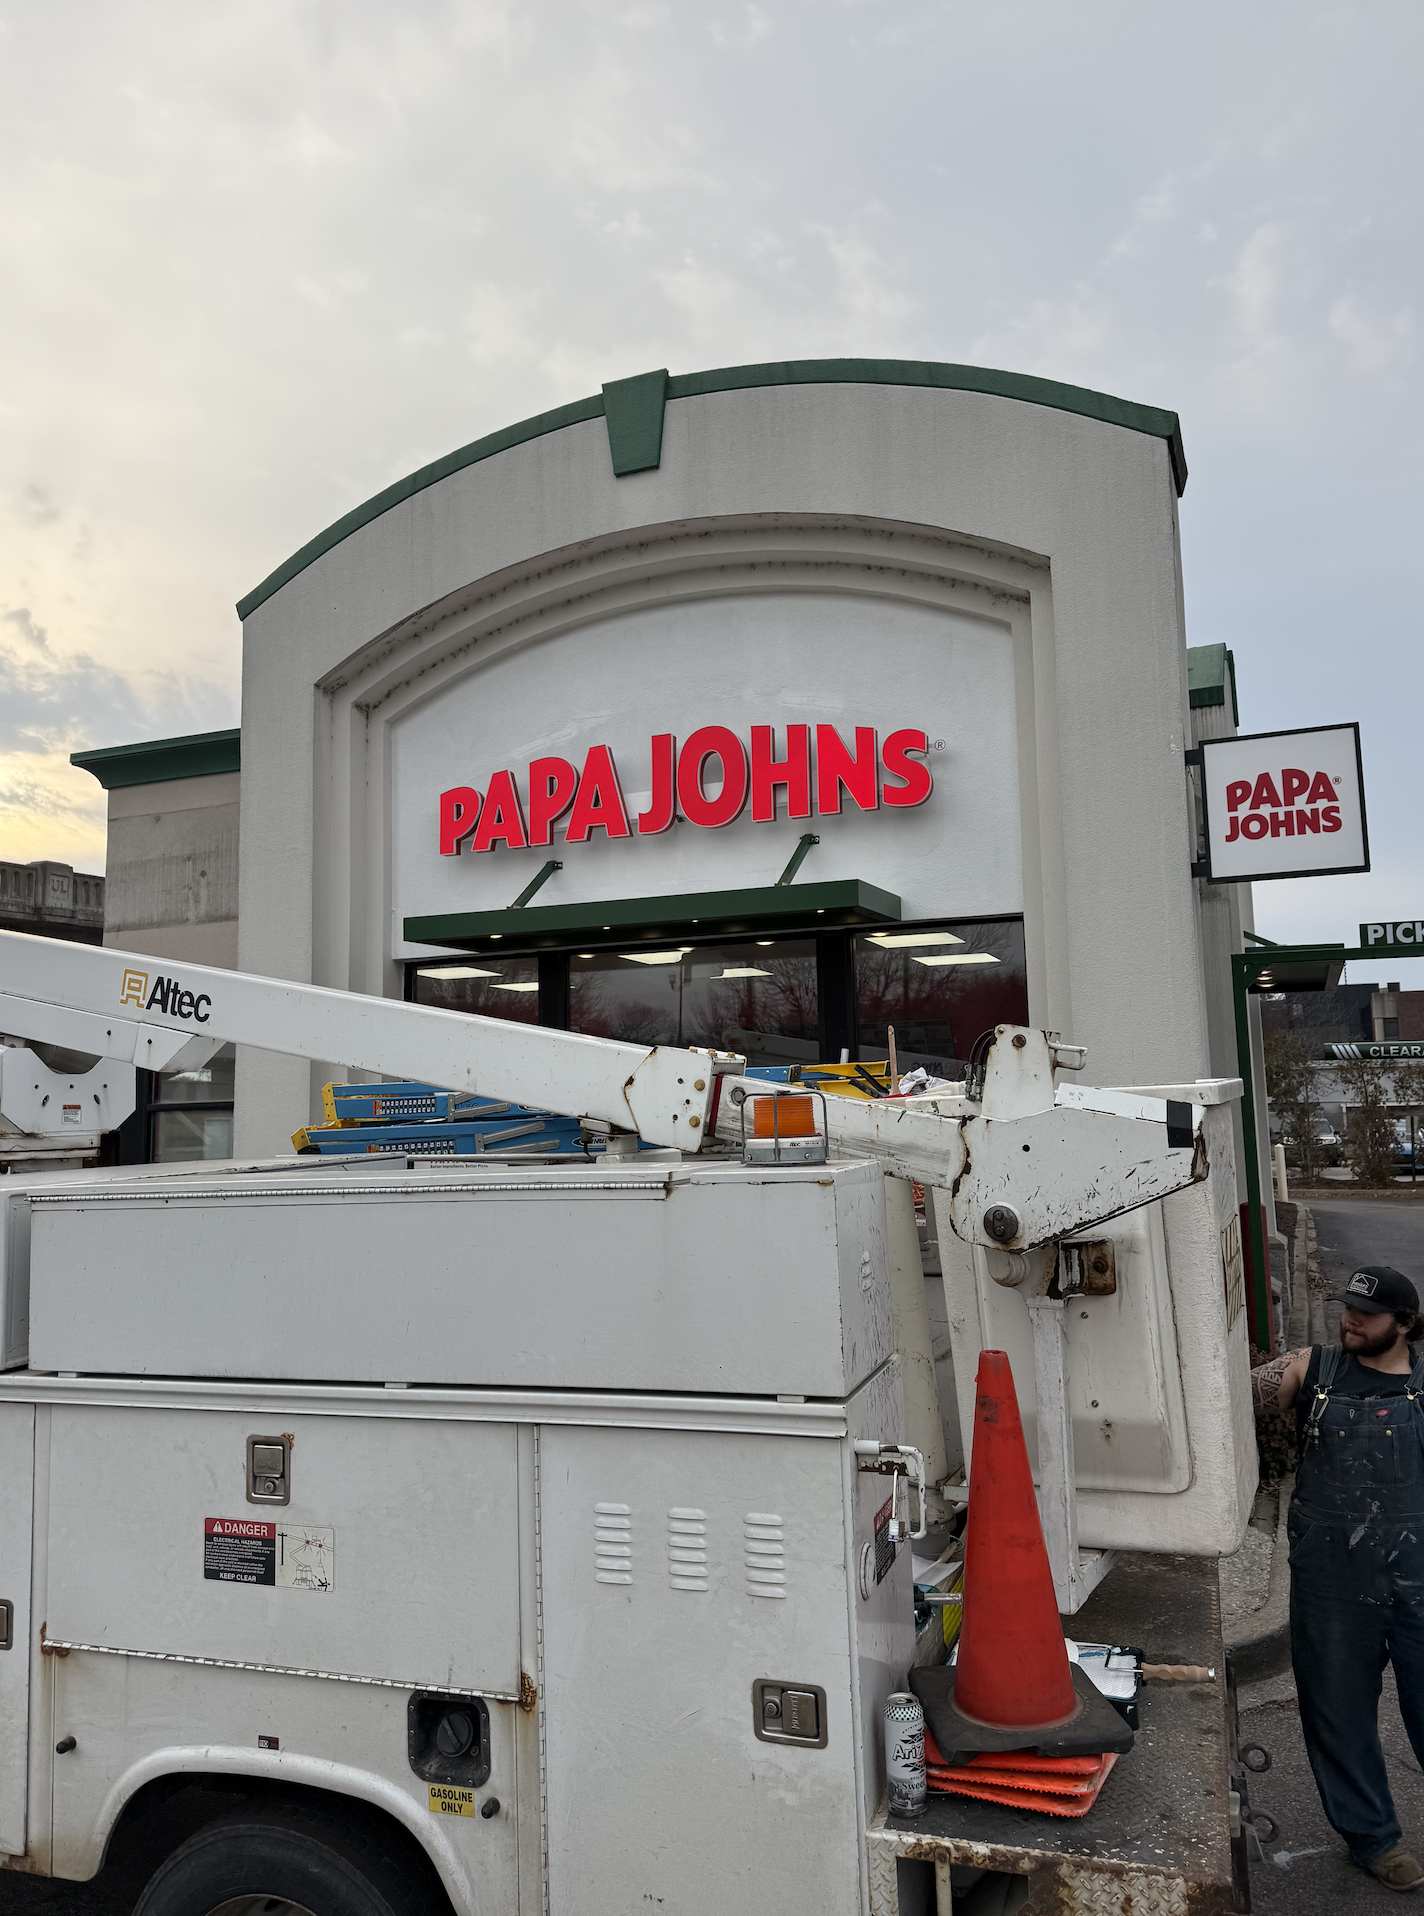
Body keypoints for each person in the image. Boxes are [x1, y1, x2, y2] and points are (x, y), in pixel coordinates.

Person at [1254, 1265, 1424, 1892]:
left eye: (1367, 1314)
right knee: (1339, 1713)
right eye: (1346, 1307)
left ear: (1404, 1324)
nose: (1349, 1319)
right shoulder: (1313, 1369)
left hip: (1419, 1578)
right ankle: (1372, 1839)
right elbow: (1232, 1402)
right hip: (1332, 1581)